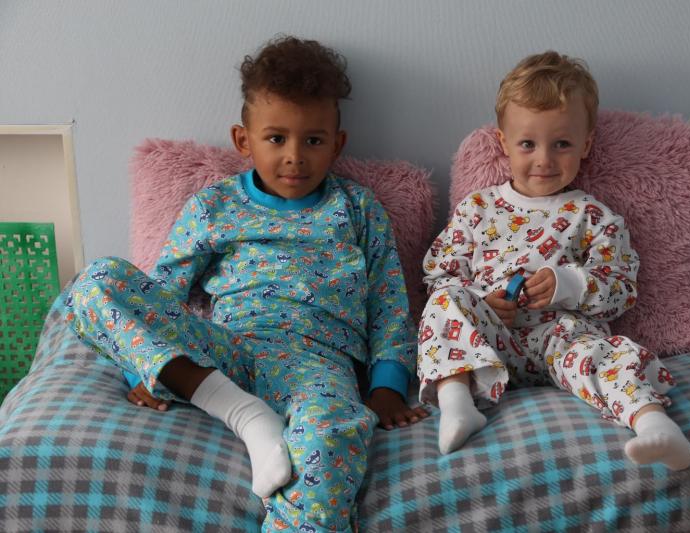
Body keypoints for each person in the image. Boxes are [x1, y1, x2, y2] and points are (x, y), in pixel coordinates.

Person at [66, 35, 428, 532]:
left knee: (333, 436)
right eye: (276, 139)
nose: (295, 157)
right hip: (228, 350)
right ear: (244, 140)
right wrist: (142, 370)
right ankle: (243, 414)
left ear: (337, 144)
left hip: (317, 363)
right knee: (97, 280)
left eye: (313, 140)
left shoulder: (357, 209)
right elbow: (162, 294)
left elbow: (389, 305)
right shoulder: (213, 206)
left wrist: (388, 386)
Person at [416, 51, 690, 471]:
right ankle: (457, 405)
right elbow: (440, 272)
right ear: (503, 143)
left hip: (563, 338)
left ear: (585, 146)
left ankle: (655, 425)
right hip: (490, 342)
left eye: (561, 144)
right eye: (528, 144)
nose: (544, 159)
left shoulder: (593, 216)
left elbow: (621, 288)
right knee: (445, 301)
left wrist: (568, 283)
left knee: (609, 356)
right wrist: (481, 302)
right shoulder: (477, 209)